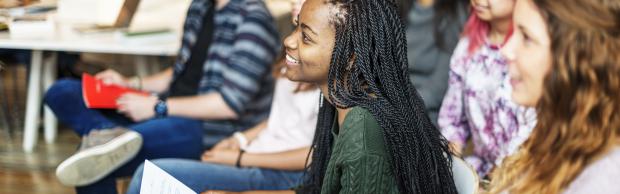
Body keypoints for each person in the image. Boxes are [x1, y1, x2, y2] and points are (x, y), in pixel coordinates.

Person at [206, 0, 458, 193]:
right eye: (296, 28)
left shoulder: (363, 133)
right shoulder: (340, 102)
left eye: (306, 37)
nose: (288, 41)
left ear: (351, 57)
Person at [43, 0, 280, 193]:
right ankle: (108, 135)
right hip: (165, 106)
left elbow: (229, 104)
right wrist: (132, 83)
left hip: (209, 127)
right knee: (62, 92)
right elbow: (178, 72)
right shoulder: (200, 6)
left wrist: (157, 107)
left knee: (90, 163)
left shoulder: (253, 20)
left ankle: (107, 140)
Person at [126, 58, 320, 193]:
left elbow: (318, 153)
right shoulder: (295, 50)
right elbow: (281, 119)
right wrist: (238, 139)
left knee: (147, 175)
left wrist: (239, 158)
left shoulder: (330, 79)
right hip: (254, 152)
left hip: (281, 173)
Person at [489, 0, 620, 193]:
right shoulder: (556, 131)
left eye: (526, 37)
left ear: (576, 59)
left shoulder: (601, 181)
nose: (506, 50)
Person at [437, 0, 536, 177]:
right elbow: (452, 119)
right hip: (479, 170)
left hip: (521, 172)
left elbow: (534, 129)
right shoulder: (468, 45)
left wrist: (498, 178)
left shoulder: (530, 54)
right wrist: (452, 165)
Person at [402, 0, 469, 126]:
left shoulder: (453, 14)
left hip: (423, 111)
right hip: (389, 98)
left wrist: (400, 107)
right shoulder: (398, 6)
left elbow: (438, 87)